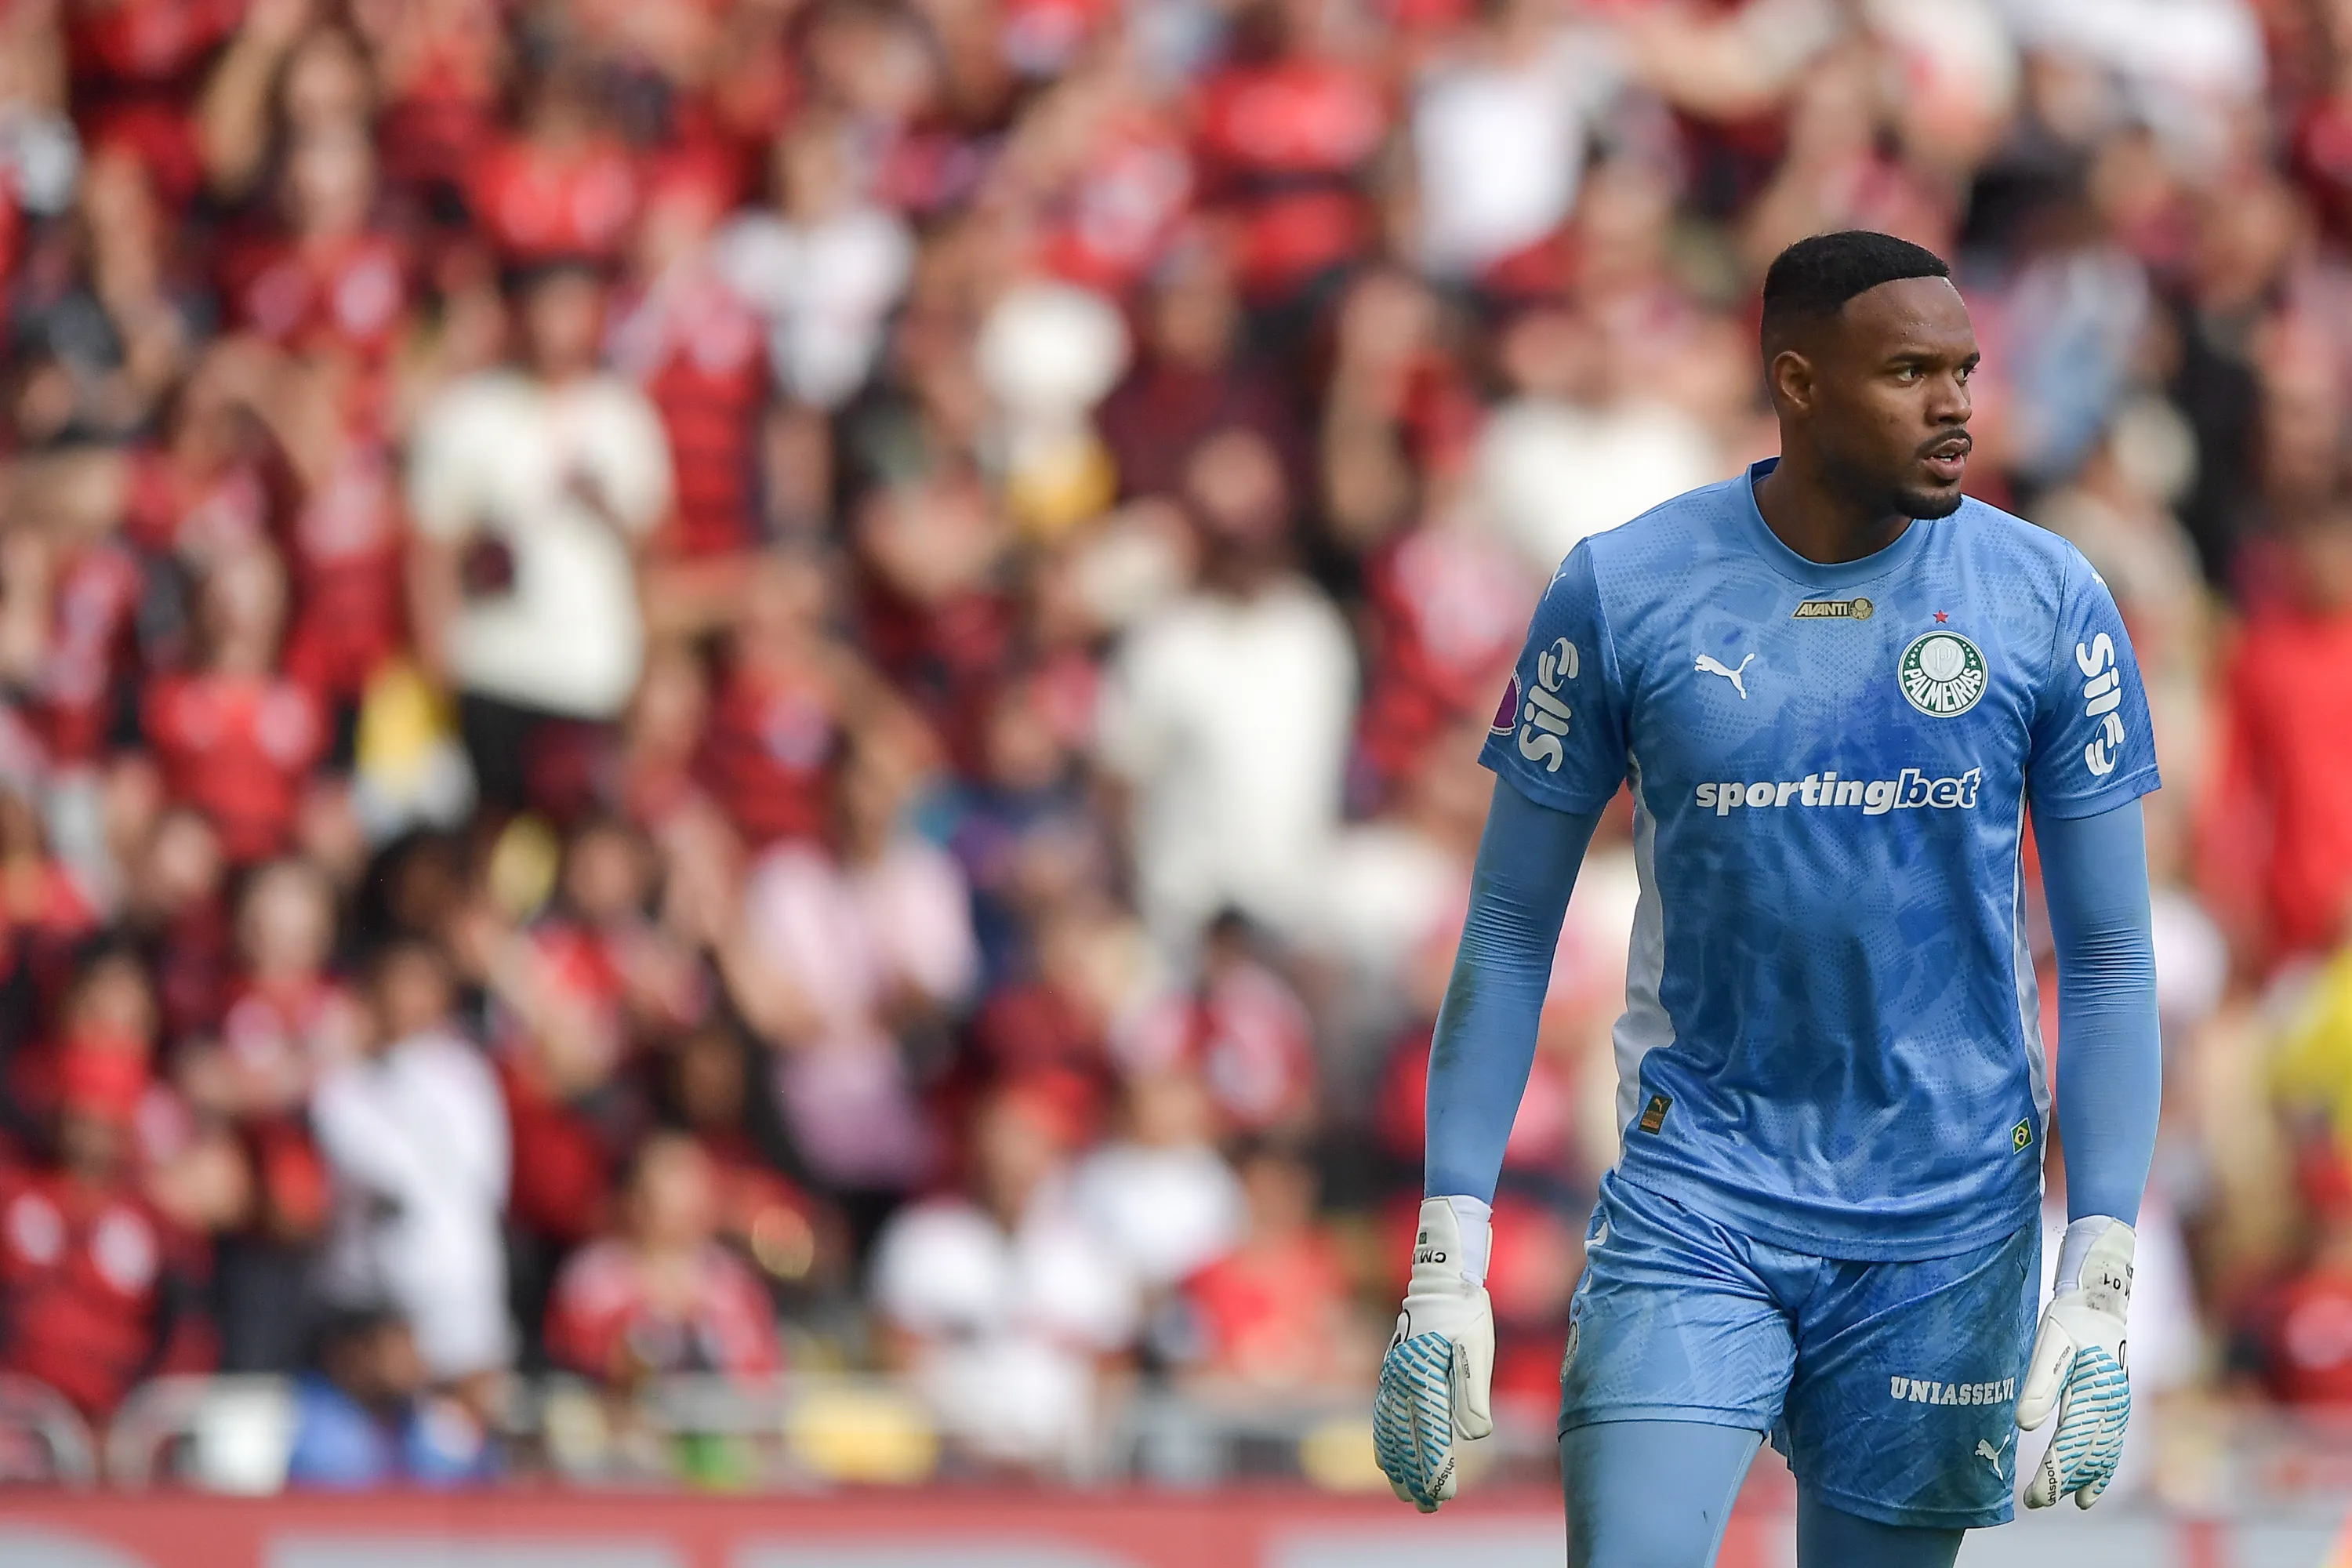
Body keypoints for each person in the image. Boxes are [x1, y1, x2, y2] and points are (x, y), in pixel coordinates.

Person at [1372, 232, 2164, 1568]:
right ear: (1797, 383)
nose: (1956, 406)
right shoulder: (1624, 589)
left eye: (1965, 370)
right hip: (1700, 1195)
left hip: (1950, 1226)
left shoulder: (2046, 600)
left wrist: (2099, 1266)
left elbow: (2109, 960)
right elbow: (1508, 927)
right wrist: (1449, 1253)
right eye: (1909, 373)